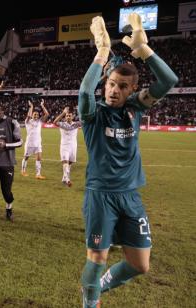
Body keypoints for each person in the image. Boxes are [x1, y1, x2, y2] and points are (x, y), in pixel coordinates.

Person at [78, 15, 178, 308]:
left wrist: (143, 50)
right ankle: (90, 300)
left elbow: (170, 80)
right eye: (111, 83)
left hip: (130, 197)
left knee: (140, 265)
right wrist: (101, 51)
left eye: (122, 86)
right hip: (101, 196)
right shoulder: (93, 114)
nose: (113, 90)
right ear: (105, 82)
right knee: (96, 260)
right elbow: (85, 91)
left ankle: (93, 289)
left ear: (132, 90)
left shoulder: (136, 108)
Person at [52, 107, 81, 187]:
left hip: (73, 146)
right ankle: (68, 179)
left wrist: (80, 111)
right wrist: (63, 113)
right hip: (64, 146)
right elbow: (55, 122)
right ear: (65, 117)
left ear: (72, 117)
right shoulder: (62, 124)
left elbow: (84, 121)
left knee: (70, 163)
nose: (68, 117)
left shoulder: (76, 124)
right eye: (67, 116)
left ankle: (64, 177)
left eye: (70, 115)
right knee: (65, 162)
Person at [21, 99, 49, 179]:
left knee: (39, 158)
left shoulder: (39, 122)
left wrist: (42, 106)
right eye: (35, 114)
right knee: (26, 157)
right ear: (32, 115)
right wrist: (31, 106)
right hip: (30, 143)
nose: (36, 116)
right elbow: (28, 116)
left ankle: (38, 174)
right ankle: (23, 170)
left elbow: (47, 114)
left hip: (38, 143)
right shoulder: (28, 122)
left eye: (37, 115)